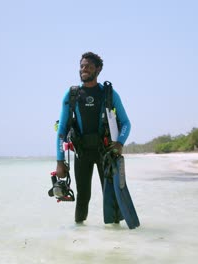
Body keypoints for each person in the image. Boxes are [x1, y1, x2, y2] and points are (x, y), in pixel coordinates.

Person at [55, 52, 131, 224]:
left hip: (105, 153)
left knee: (110, 196)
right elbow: (61, 131)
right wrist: (60, 161)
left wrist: (119, 143)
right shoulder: (72, 95)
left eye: (88, 66)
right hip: (82, 154)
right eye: (82, 66)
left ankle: (115, 239)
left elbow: (126, 123)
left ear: (98, 69)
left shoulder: (109, 94)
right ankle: (80, 235)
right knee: (83, 197)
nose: (84, 69)